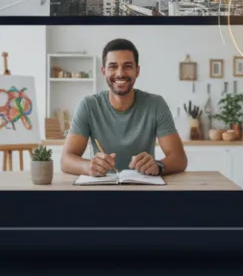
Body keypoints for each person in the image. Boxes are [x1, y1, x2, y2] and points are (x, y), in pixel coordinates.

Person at [60, 38, 188, 177]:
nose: (120, 73)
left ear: (137, 71)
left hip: (143, 188)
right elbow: (66, 160)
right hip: (102, 188)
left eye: (127, 66)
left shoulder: (156, 104)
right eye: (113, 66)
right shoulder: (88, 106)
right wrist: (87, 166)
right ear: (103, 71)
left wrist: (158, 166)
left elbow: (179, 159)